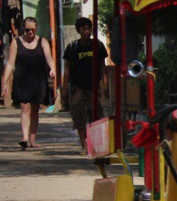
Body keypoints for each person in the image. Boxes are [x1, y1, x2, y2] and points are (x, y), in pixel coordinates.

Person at [2, 17, 56, 149]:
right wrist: (4, 82)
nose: (30, 32)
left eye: (32, 29)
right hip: (22, 79)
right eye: (27, 30)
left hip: (38, 80)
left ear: (36, 29)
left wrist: (53, 68)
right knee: (24, 107)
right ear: (23, 29)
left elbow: (49, 57)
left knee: (35, 109)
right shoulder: (16, 42)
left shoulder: (42, 42)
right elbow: (10, 63)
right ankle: (25, 138)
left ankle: (32, 139)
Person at [61, 17, 108, 153]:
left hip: (94, 86)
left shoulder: (98, 45)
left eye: (89, 28)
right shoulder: (73, 47)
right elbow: (67, 69)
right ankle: (84, 143)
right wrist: (64, 89)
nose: (87, 32)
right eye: (84, 29)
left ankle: (95, 142)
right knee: (78, 111)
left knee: (95, 113)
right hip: (77, 86)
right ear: (78, 30)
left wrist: (105, 85)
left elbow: (102, 67)